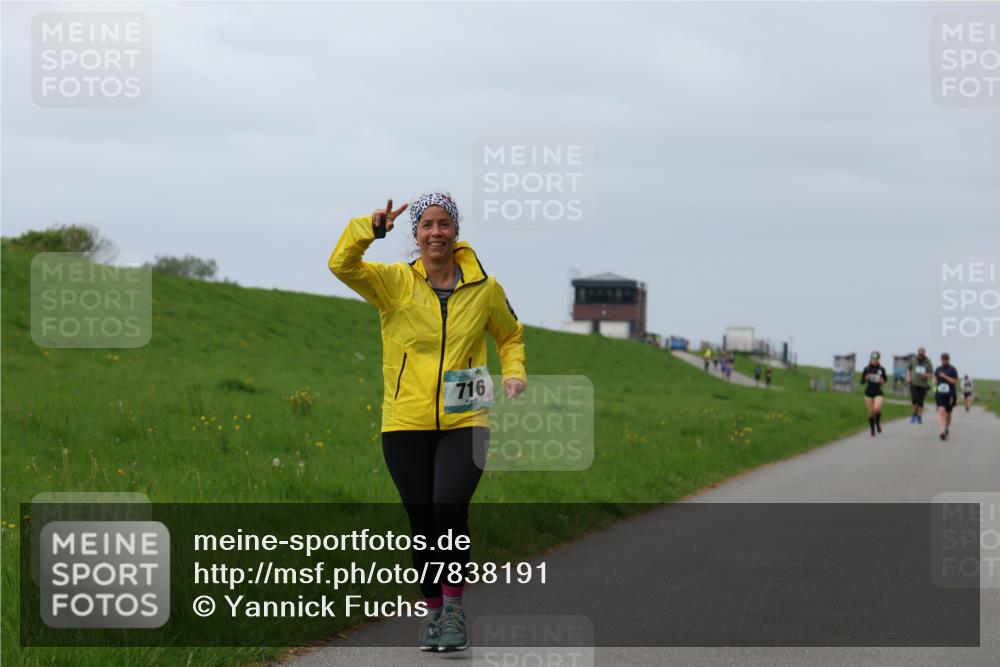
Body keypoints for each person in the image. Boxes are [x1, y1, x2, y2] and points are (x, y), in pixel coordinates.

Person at [329, 193, 527, 652]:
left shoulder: (486, 288)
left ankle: (455, 610)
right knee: (422, 520)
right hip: (405, 420)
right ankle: (433, 612)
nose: (436, 232)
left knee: (448, 508)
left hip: (467, 416)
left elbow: (510, 334)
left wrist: (514, 373)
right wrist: (368, 229)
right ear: (414, 235)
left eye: (444, 224)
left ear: (455, 231)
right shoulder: (393, 283)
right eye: (427, 225)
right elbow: (341, 265)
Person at [860, 351, 888, 437]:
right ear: (871, 359)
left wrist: (882, 381)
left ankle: (878, 423)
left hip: (878, 392)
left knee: (877, 409)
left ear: (879, 359)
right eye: (873, 359)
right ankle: (872, 430)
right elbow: (862, 382)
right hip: (868, 393)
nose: (875, 361)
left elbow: (885, 380)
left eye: (876, 359)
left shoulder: (881, 369)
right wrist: (866, 378)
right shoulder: (867, 369)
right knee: (871, 412)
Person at [934, 353, 959, 441]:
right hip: (940, 393)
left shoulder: (952, 369)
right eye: (943, 359)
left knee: (948, 414)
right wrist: (935, 382)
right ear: (941, 359)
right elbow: (935, 379)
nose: (944, 360)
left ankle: (946, 427)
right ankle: (942, 431)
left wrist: (945, 376)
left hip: (950, 394)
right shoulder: (937, 369)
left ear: (949, 359)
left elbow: (955, 381)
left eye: (946, 359)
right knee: (941, 411)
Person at [906, 348, 933, 424]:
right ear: (917, 354)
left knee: (920, 401)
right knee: (915, 399)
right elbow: (909, 369)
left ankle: (919, 416)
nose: (920, 356)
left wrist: (926, 375)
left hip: (923, 385)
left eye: (922, 354)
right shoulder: (913, 360)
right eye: (919, 354)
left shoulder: (928, 362)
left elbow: (931, 374)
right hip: (914, 383)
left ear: (924, 354)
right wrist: (908, 377)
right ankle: (914, 414)